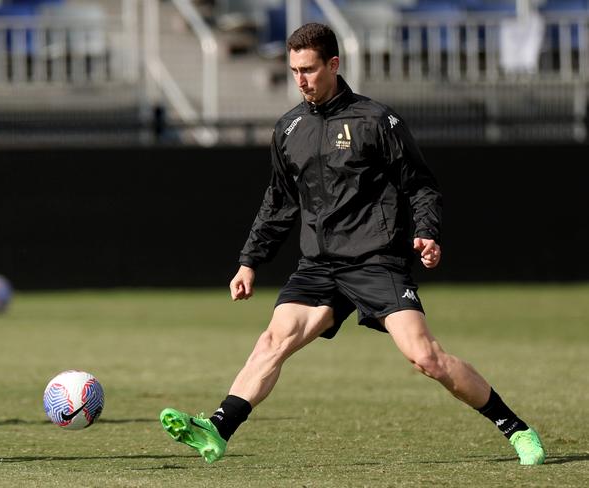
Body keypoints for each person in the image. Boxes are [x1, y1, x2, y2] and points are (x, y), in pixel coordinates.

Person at [159, 22, 545, 466]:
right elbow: (279, 202)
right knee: (273, 340)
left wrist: (427, 230)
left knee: (426, 358)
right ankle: (217, 428)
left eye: (308, 69)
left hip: (375, 259)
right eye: (293, 71)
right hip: (319, 264)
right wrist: (249, 261)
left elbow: (421, 186)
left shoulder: (376, 121)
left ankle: (516, 428)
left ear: (334, 64)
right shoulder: (288, 129)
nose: (300, 80)